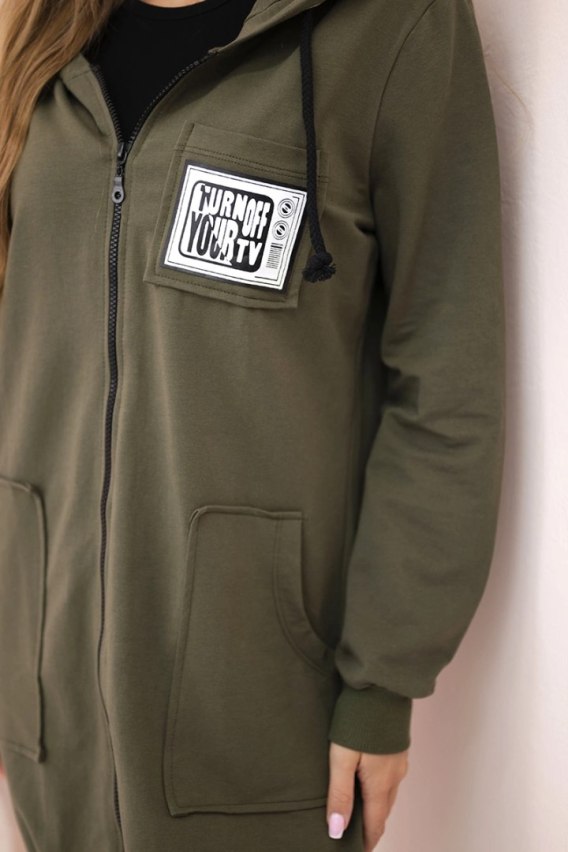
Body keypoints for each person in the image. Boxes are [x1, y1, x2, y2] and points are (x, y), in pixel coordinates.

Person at [0, 0, 506, 849]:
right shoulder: (39, 26)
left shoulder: (396, 26)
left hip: (263, 732)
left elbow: (447, 385)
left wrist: (382, 682)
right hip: (45, 719)